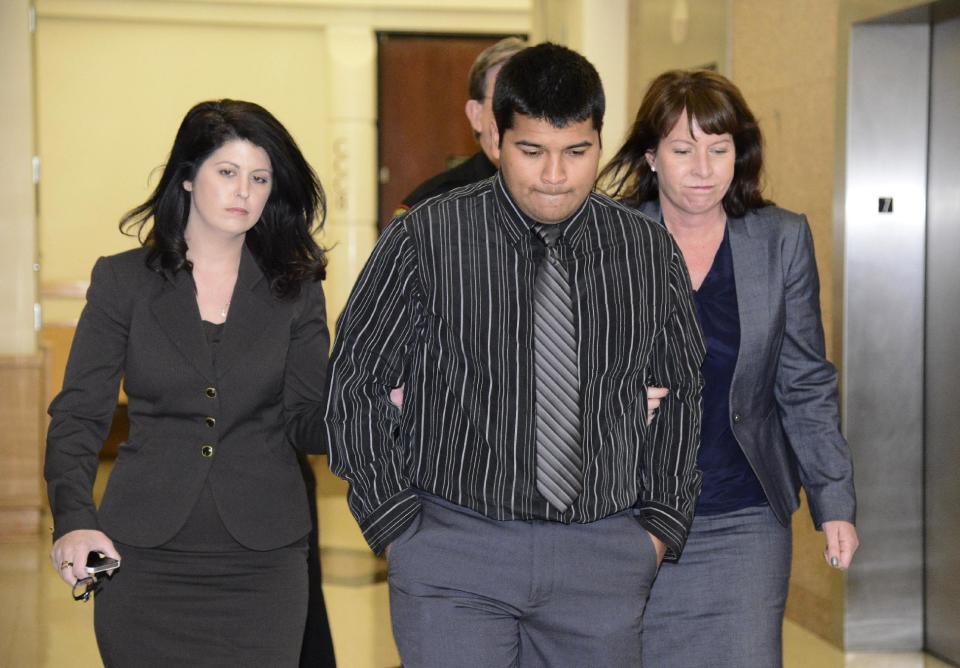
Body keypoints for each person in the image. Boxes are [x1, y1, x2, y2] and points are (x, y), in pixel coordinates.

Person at [325, 43, 706, 666]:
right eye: (532, 151)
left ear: (600, 143)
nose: (555, 175)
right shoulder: (427, 236)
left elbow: (682, 389)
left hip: (602, 556)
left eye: (576, 152)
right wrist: (395, 525)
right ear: (496, 141)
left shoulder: (645, 250)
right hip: (454, 548)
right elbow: (356, 378)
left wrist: (659, 527)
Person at [45, 99, 333, 666]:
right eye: (227, 173)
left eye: (259, 178)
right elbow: (79, 415)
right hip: (145, 558)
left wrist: (376, 405)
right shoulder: (122, 280)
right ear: (186, 178)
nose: (243, 192)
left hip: (264, 563)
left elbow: (306, 422)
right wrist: (74, 521)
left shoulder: (296, 290)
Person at [599, 69, 860, 667]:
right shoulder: (608, 239)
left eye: (719, 149)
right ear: (652, 156)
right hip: (626, 513)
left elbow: (804, 381)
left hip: (743, 514)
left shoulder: (780, 239)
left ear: (739, 155)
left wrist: (835, 500)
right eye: (683, 149)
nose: (703, 168)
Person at [394, 36, 526, 215]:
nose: (521, 115)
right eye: (504, 102)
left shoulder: (562, 193)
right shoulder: (430, 206)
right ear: (476, 115)